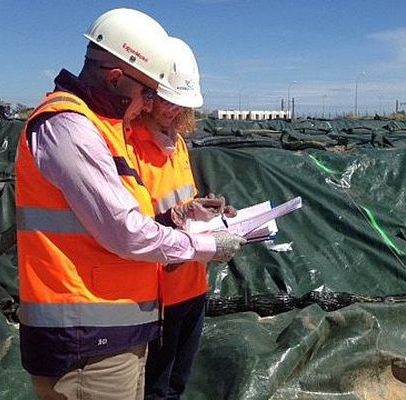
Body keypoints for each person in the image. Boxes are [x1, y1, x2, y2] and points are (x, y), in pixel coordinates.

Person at [15, 8, 245, 400]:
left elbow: (121, 218)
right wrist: (206, 246)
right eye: (148, 93)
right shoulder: (69, 127)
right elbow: (124, 231)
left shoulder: (98, 128)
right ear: (116, 78)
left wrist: (180, 214)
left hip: (112, 332)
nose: (148, 105)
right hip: (84, 339)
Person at [126, 37, 232, 399]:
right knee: (155, 387)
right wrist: (181, 213)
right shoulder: (130, 144)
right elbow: (129, 226)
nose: (173, 110)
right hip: (157, 292)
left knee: (177, 382)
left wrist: (209, 212)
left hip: (192, 282)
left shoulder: (179, 145)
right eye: (166, 100)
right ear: (147, 96)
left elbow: (183, 201)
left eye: (180, 104)